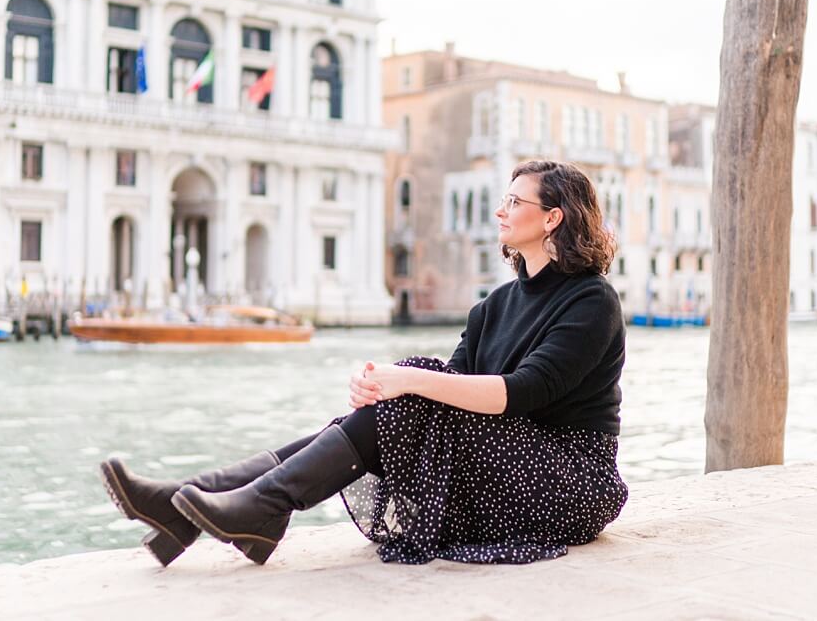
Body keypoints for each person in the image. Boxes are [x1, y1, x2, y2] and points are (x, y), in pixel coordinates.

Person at [100, 160, 628, 567]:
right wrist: (387, 387)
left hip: (570, 481)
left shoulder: (591, 300)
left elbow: (522, 393)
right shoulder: (493, 305)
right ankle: (197, 505)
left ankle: (233, 506)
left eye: (514, 201)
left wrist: (407, 379)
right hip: (498, 464)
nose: (501, 211)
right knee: (411, 394)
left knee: (417, 381)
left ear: (552, 217)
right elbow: (451, 391)